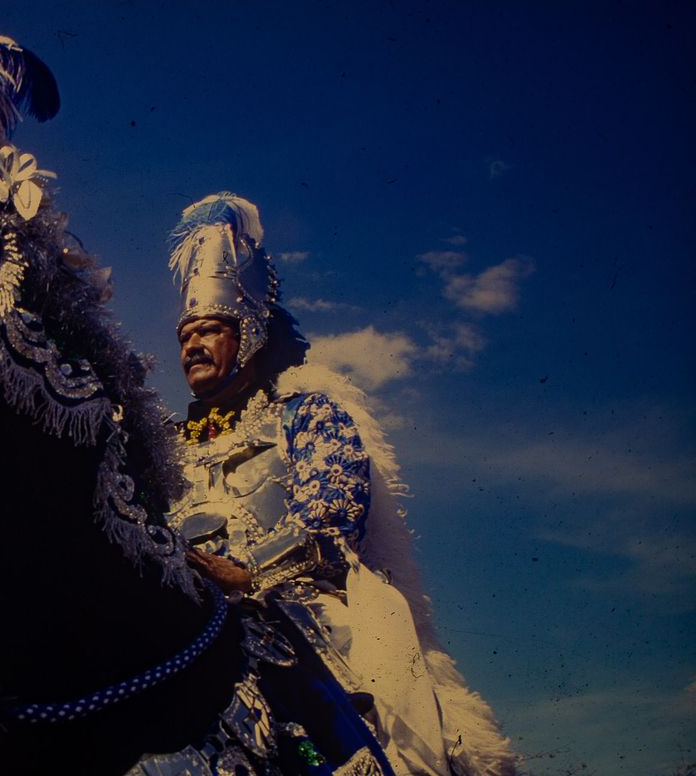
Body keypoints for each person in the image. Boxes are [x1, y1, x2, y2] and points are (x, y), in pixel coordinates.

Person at [166, 193, 518, 776]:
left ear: (249, 334)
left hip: (293, 611)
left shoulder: (307, 414)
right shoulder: (164, 445)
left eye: (209, 331)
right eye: (185, 337)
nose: (192, 347)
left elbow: (332, 523)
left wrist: (247, 573)